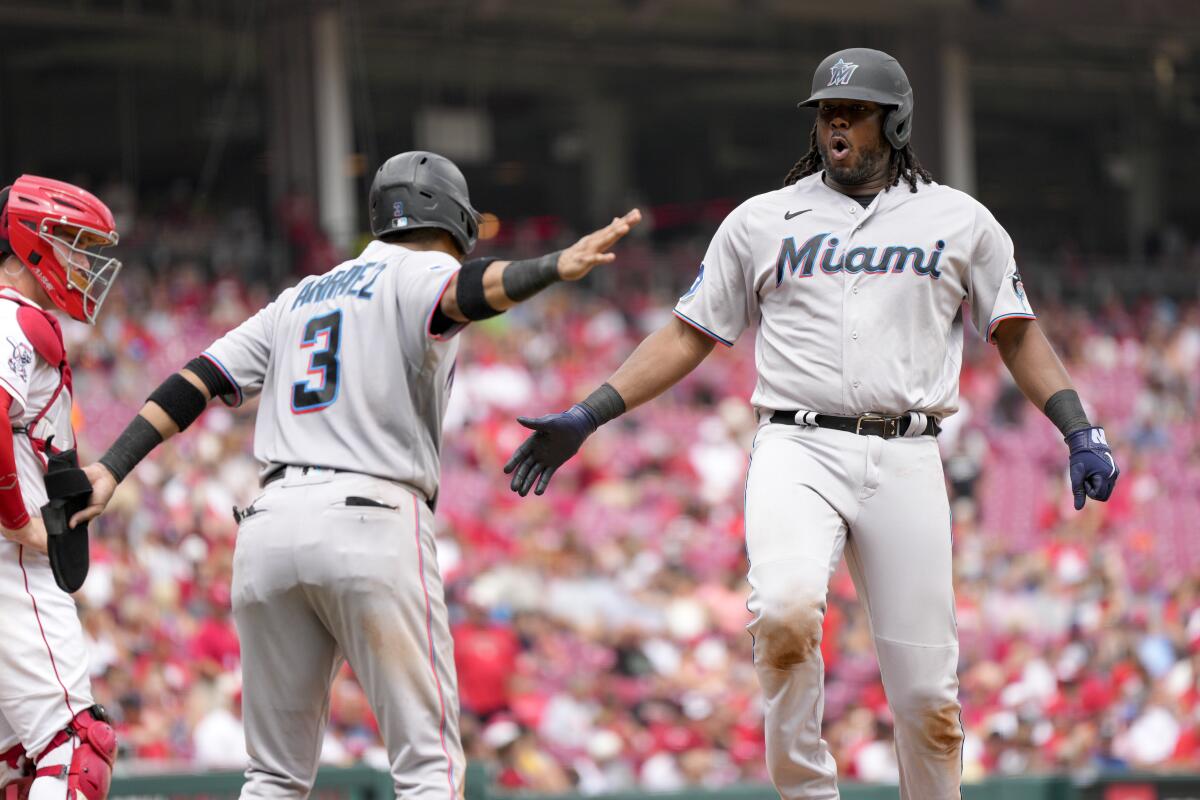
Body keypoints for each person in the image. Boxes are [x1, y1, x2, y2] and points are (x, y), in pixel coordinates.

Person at [502, 48, 1119, 800]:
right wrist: (588, 412)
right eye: (827, 111)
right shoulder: (761, 219)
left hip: (907, 455)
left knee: (929, 698)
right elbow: (689, 332)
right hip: (797, 444)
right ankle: (805, 792)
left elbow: (1016, 332)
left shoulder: (961, 220)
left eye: (853, 112)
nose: (835, 125)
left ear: (894, 123)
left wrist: (1078, 427)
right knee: (786, 612)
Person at [69, 150, 640, 798]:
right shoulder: (425, 269)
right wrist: (551, 267)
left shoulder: (298, 297)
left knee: (273, 777)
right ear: (456, 221)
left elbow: (194, 380)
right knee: (430, 770)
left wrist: (113, 467)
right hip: (370, 517)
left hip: (268, 527)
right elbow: (464, 293)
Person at [0, 175, 122, 800]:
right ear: (30, 243)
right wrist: (18, 516)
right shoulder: (10, 319)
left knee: (16, 764)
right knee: (75, 746)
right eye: (72, 243)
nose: (82, 262)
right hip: (12, 566)